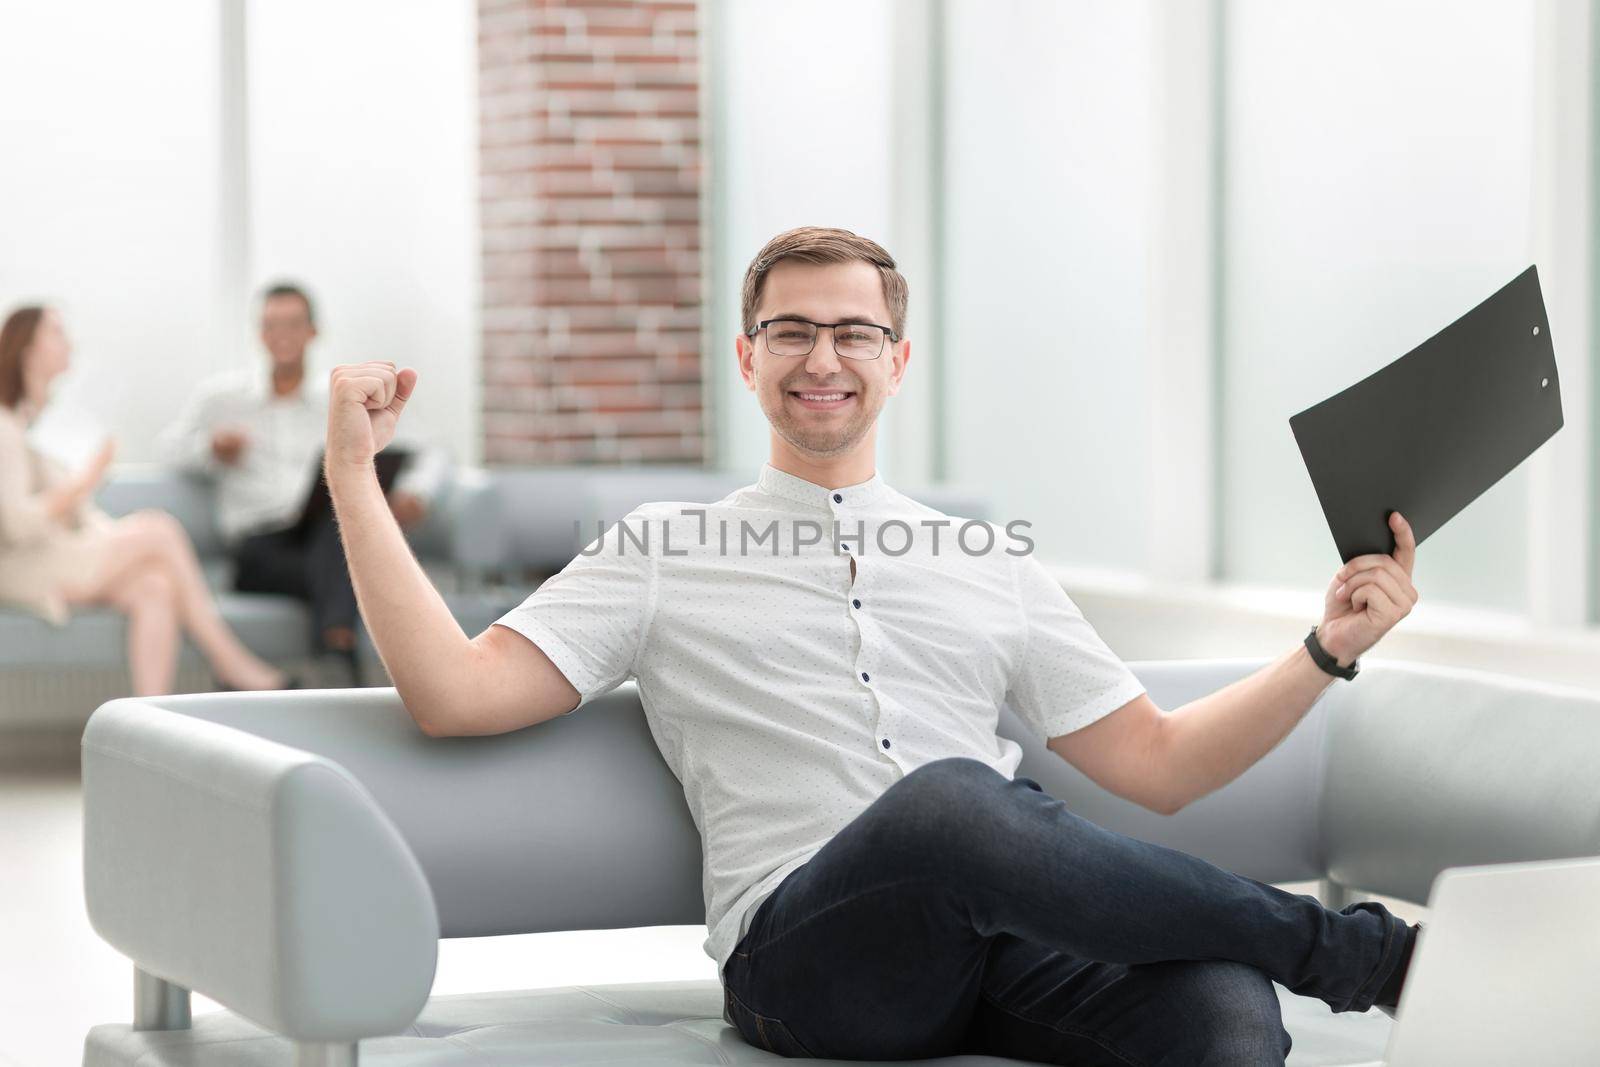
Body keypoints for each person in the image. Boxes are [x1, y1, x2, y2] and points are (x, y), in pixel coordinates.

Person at [321, 228, 1423, 1065]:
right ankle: (1357, 954)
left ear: (895, 360)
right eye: (792, 330)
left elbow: (1162, 763)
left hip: (1002, 948)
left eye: (852, 331)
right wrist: (351, 475)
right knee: (950, 802)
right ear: (748, 358)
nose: (822, 356)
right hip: (809, 963)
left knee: (1226, 1008)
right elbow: (453, 693)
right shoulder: (661, 547)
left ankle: (1313, 957)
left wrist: (1322, 650)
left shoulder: (988, 559)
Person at [0, 305, 290, 696]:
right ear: (28, 348)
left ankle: (148, 724)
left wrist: (95, 502)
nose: (69, 342)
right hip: (23, 568)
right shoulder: (5, 427)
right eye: (56, 332)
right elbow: (16, 525)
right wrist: (86, 478)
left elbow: (74, 514)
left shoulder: (34, 420)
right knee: (158, 528)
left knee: (154, 586)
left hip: (53, 553)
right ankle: (231, 664)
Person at [160, 282, 445, 670]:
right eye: (272, 326)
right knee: (353, 560)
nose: (282, 336)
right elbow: (168, 449)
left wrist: (416, 492)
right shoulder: (222, 400)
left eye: (292, 325)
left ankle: (335, 648)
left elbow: (430, 449)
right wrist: (211, 448)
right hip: (259, 548)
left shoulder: (340, 399)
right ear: (260, 333)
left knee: (339, 531)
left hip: (321, 536)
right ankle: (341, 657)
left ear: (312, 332)